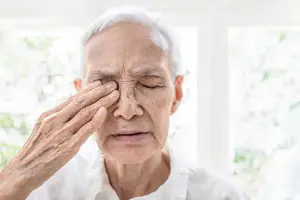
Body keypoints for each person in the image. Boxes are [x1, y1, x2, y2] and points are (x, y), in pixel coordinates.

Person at [0, 7, 249, 200]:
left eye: (149, 83)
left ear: (177, 94)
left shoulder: (221, 196)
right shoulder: (45, 190)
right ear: (80, 96)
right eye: (105, 87)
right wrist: (12, 182)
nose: (128, 110)